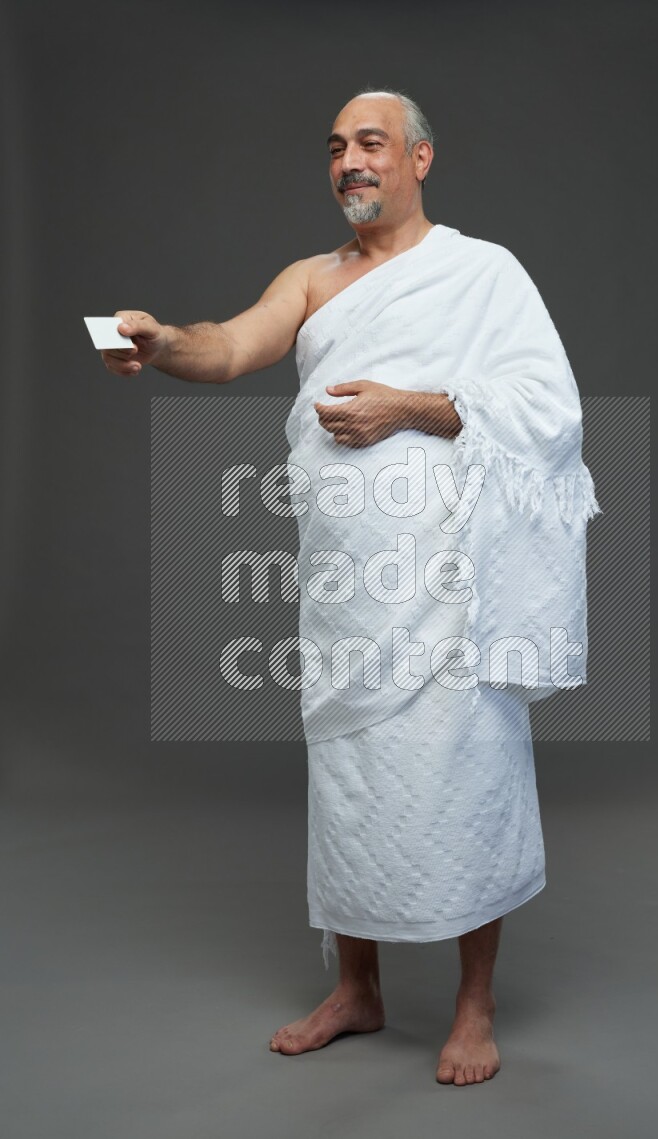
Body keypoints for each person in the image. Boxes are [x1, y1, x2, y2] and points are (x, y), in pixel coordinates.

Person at [100, 87, 601, 1086]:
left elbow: (548, 407)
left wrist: (409, 408)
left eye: (370, 142)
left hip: (451, 582)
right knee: (352, 780)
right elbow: (232, 344)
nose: (350, 161)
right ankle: (357, 988)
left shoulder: (480, 272)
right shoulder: (311, 278)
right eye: (335, 148)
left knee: (467, 774)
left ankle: (472, 1004)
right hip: (346, 580)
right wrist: (159, 342)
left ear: (420, 158)